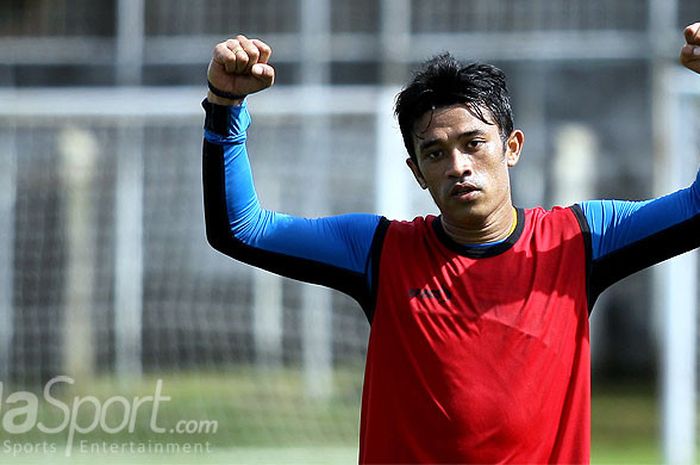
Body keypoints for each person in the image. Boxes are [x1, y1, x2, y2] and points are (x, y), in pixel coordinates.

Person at [201, 24, 700, 464]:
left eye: (473, 143)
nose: (457, 165)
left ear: (512, 147)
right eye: (435, 153)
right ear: (417, 172)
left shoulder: (580, 242)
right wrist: (225, 107)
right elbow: (243, 229)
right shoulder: (379, 252)